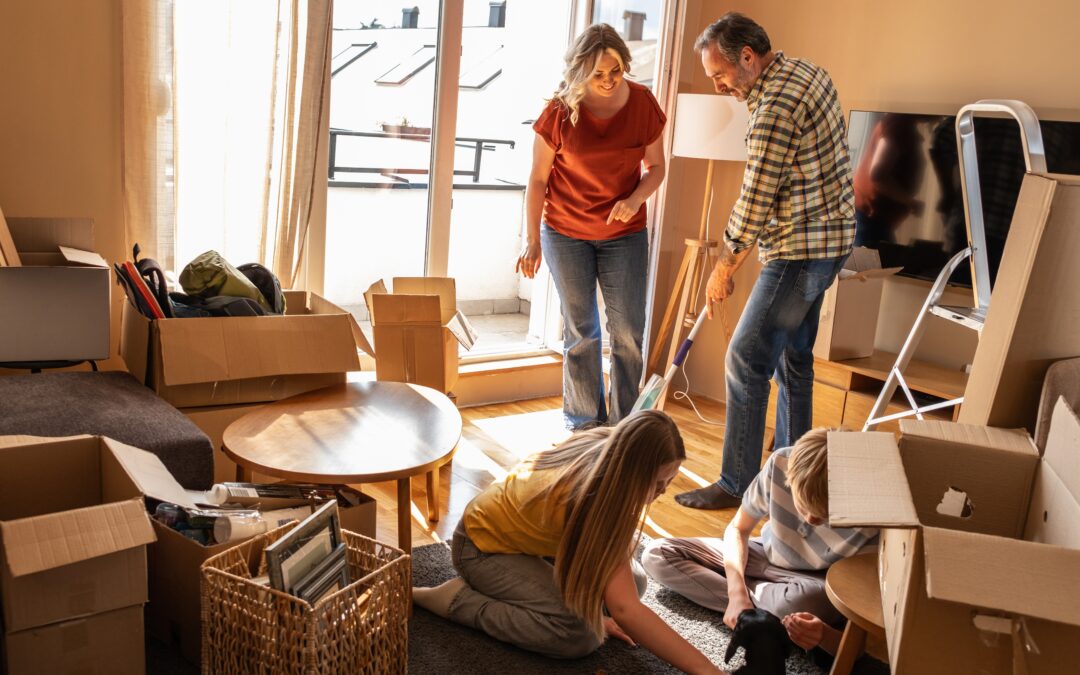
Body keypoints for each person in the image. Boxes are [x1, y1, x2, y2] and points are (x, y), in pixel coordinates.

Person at [675, 13, 856, 509]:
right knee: (794, 361)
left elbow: (755, 198)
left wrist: (723, 267)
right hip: (832, 243)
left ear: (748, 58)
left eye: (720, 76)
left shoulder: (774, 106)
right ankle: (798, 480)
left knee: (746, 358)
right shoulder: (808, 71)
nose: (719, 87)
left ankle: (736, 483)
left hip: (799, 252)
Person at [413, 410, 725, 674]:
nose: (663, 492)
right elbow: (627, 610)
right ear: (631, 474)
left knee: (637, 582)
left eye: (669, 482)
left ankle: (518, 592)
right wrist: (708, 670)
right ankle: (456, 599)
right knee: (579, 635)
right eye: (657, 483)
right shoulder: (598, 498)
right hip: (479, 548)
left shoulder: (608, 449)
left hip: (525, 539)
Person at [516, 23, 667, 431]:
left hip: (624, 235)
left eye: (615, 70)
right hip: (565, 234)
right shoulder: (559, 111)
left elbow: (656, 168)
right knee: (582, 331)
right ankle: (584, 423)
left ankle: (625, 426)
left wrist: (634, 198)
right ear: (581, 69)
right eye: (598, 73)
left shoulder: (642, 103)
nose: (608, 80)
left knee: (628, 334)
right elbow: (537, 180)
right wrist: (532, 241)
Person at [643, 428, 878, 659]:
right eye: (803, 506)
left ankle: (757, 609)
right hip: (763, 553)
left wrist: (824, 636)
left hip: (813, 584)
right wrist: (736, 595)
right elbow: (738, 529)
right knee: (656, 554)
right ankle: (759, 614)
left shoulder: (876, 514)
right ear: (791, 475)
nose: (810, 520)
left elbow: (859, 643)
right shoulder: (781, 462)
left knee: (798, 605)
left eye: (825, 515)